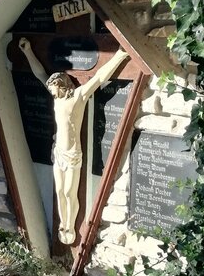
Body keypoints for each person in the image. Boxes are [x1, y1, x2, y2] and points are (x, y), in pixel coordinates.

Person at [18, 37, 129, 244]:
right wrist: (28, 51)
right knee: (60, 190)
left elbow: (99, 77)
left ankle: (71, 223)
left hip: (72, 154)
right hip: (58, 151)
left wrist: (120, 55)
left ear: (61, 85)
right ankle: (64, 224)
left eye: (53, 88)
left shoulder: (78, 97)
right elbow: (40, 74)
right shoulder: (57, 98)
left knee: (70, 192)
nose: (51, 91)